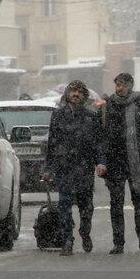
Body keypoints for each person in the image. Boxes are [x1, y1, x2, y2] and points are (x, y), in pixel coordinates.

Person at [43, 80, 106, 256]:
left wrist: (101, 162)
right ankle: (67, 241)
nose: (76, 94)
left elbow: (99, 143)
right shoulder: (58, 115)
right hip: (64, 168)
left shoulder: (91, 116)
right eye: (73, 91)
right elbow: (52, 144)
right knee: (65, 206)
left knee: (86, 207)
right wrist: (48, 169)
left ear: (84, 96)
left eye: (79, 91)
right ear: (67, 94)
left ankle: (85, 232)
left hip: (85, 167)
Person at [101, 73, 140, 254]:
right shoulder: (109, 105)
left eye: (123, 84)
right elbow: (103, 134)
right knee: (116, 203)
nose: (120, 88)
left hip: (136, 161)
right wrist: (104, 159)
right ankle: (118, 243)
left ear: (131, 85)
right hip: (115, 162)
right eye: (117, 84)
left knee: (139, 202)